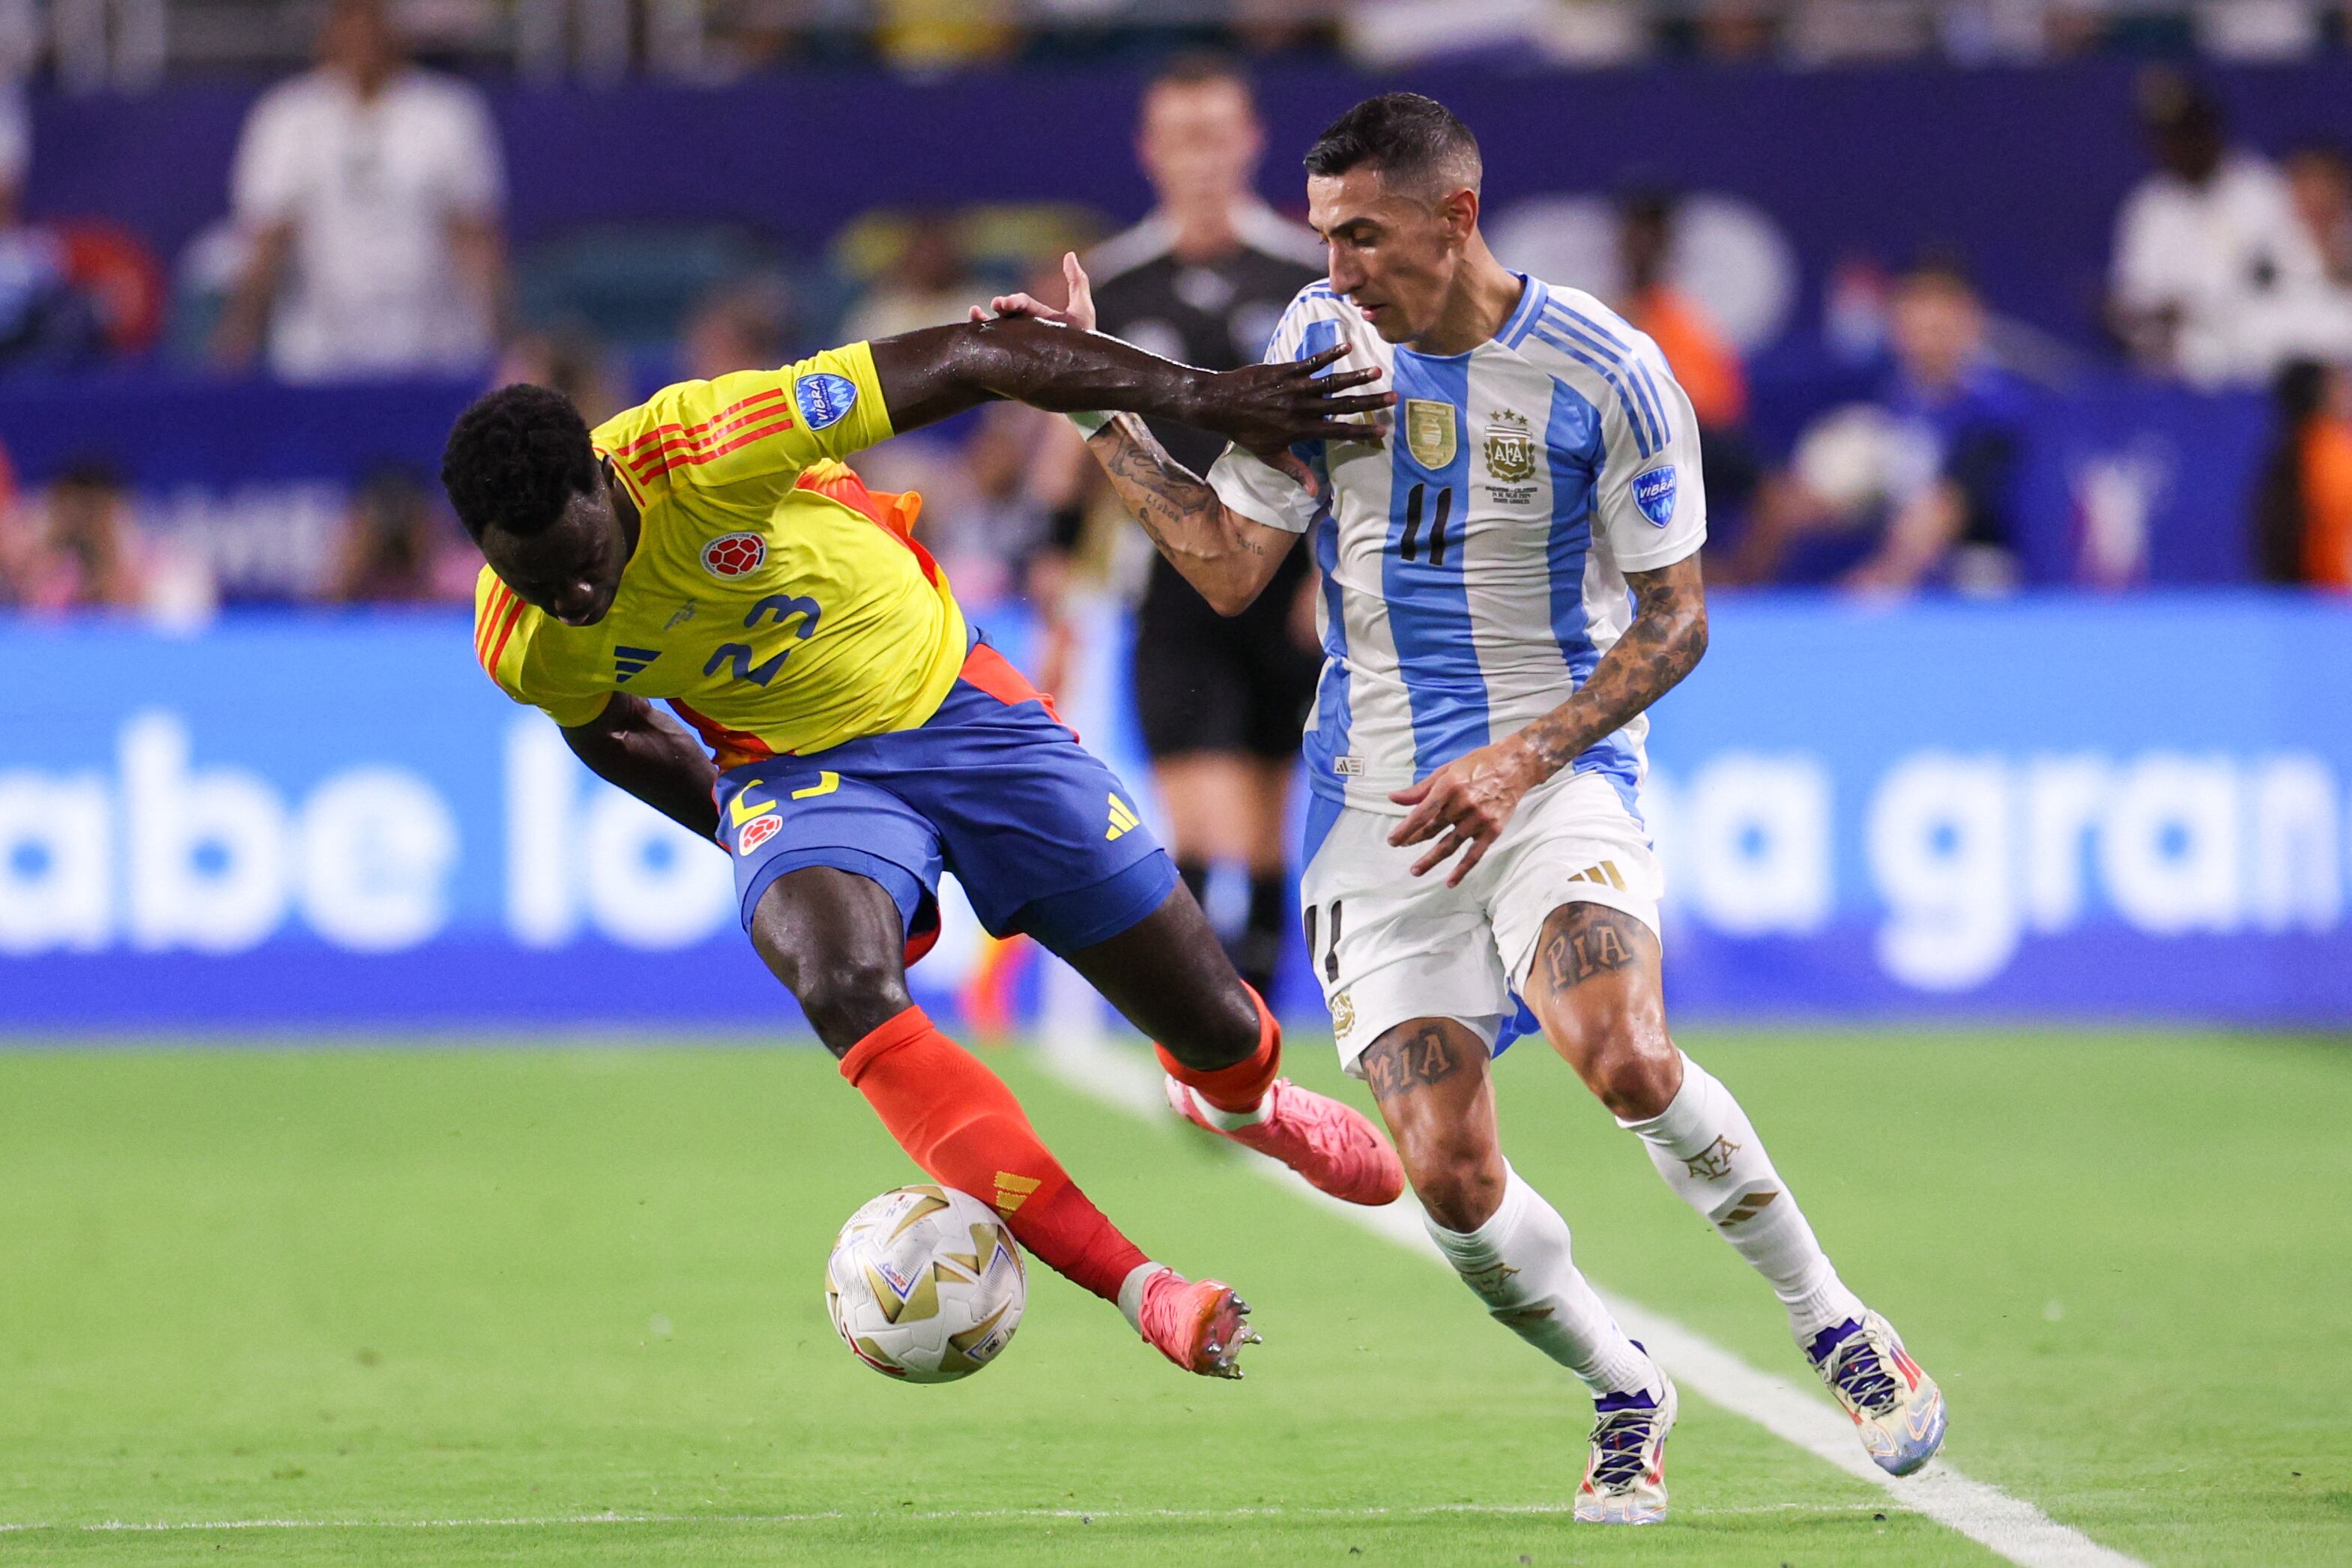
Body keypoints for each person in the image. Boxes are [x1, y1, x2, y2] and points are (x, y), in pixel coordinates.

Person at [1003, 91, 1944, 1522]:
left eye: (1362, 236)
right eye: (1322, 236)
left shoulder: (1603, 369)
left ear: (1455, 215)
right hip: (1374, 806)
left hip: (1549, 775)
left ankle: (1837, 1327)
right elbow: (1224, 567)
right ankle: (1623, 1386)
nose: (1334, 269)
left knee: (1620, 1052)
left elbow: (1676, 619)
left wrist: (1522, 757)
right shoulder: (1322, 348)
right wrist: (1095, 406)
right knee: (1441, 1173)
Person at [438, 312, 1403, 1381]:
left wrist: (1205, 396)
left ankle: (1242, 1104)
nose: (574, 599)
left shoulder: (708, 445)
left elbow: (976, 360)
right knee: (840, 981)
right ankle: (1146, 1288)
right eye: (538, 585)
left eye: (581, 563)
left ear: (599, 483)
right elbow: (608, 723)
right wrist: (743, 828)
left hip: (958, 708)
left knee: (1216, 1022)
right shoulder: (524, 640)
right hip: (796, 773)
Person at [1047, 52, 1328, 1000]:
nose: (1200, 159)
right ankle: (1210, 1026)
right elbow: (1073, 431)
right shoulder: (1117, 285)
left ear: (1250, 143)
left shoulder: (1304, 272)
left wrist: (1334, 572)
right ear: (1149, 152)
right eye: (1181, 139)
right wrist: (1053, 552)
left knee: (1262, 816)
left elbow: (1353, 429)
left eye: (1216, 136)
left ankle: (1251, 1013)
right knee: (1199, 815)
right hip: (1171, 577)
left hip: (1289, 581)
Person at [215, 0, 505, 381]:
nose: (363, 32)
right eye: (350, 16)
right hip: (318, 355)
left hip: (433, 349)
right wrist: (236, 339)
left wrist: (501, 341)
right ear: (328, 26)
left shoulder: (448, 112)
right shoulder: (286, 117)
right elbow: (267, 242)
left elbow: (475, 239)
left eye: (374, 17)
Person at [1729, 254, 2033, 594]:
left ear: (1971, 318)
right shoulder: (1883, 391)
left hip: (1977, 578)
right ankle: (1742, 599)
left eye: (1942, 316)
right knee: (1783, 502)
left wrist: (1881, 581)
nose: (1927, 328)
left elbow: (1944, 510)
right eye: (1915, 311)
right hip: (1896, 550)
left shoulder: (1997, 407)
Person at [2107, 73, 2325, 388]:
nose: (2178, 147)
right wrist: (2138, 313)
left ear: (2210, 129)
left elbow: (2295, 276)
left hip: (2254, 364)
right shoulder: (2149, 205)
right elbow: (2134, 296)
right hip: (2172, 369)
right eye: (2167, 137)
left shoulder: (2261, 189)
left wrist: (2199, 306)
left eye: (2188, 133)